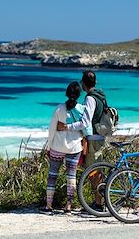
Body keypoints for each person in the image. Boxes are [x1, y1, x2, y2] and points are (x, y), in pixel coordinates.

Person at [57, 70, 108, 209]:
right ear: (95, 82)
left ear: (83, 84)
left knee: (93, 172)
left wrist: (67, 127)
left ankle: (99, 204)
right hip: (101, 137)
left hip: (94, 138)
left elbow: (85, 122)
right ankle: (100, 202)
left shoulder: (90, 99)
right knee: (97, 171)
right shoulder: (101, 96)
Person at [41, 81, 91, 214]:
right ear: (79, 94)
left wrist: (49, 146)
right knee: (71, 177)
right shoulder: (81, 109)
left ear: (67, 93)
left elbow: (52, 129)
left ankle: (49, 205)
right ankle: (68, 206)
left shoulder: (59, 108)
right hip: (74, 147)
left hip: (57, 146)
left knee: (52, 175)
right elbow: (85, 127)